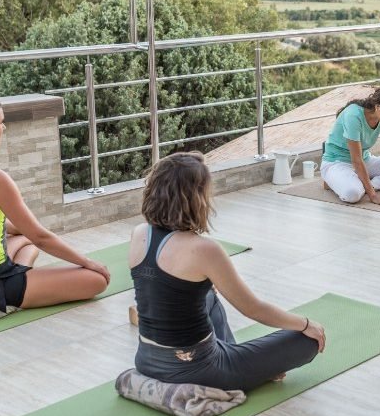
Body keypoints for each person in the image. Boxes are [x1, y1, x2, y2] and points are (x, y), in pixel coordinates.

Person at [130, 152, 324, 390]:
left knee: (208, 296)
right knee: (308, 341)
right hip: (199, 369)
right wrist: (305, 323)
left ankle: (240, 360)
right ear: (196, 197)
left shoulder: (140, 233)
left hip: (147, 361)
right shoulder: (204, 249)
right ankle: (246, 369)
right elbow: (254, 309)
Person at [0, 91, 109, 312]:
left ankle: (17, 274)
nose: (3, 127)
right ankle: (12, 290)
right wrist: (87, 262)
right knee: (96, 280)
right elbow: (41, 237)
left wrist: (18, 230)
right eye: (2, 122)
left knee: (25, 242)